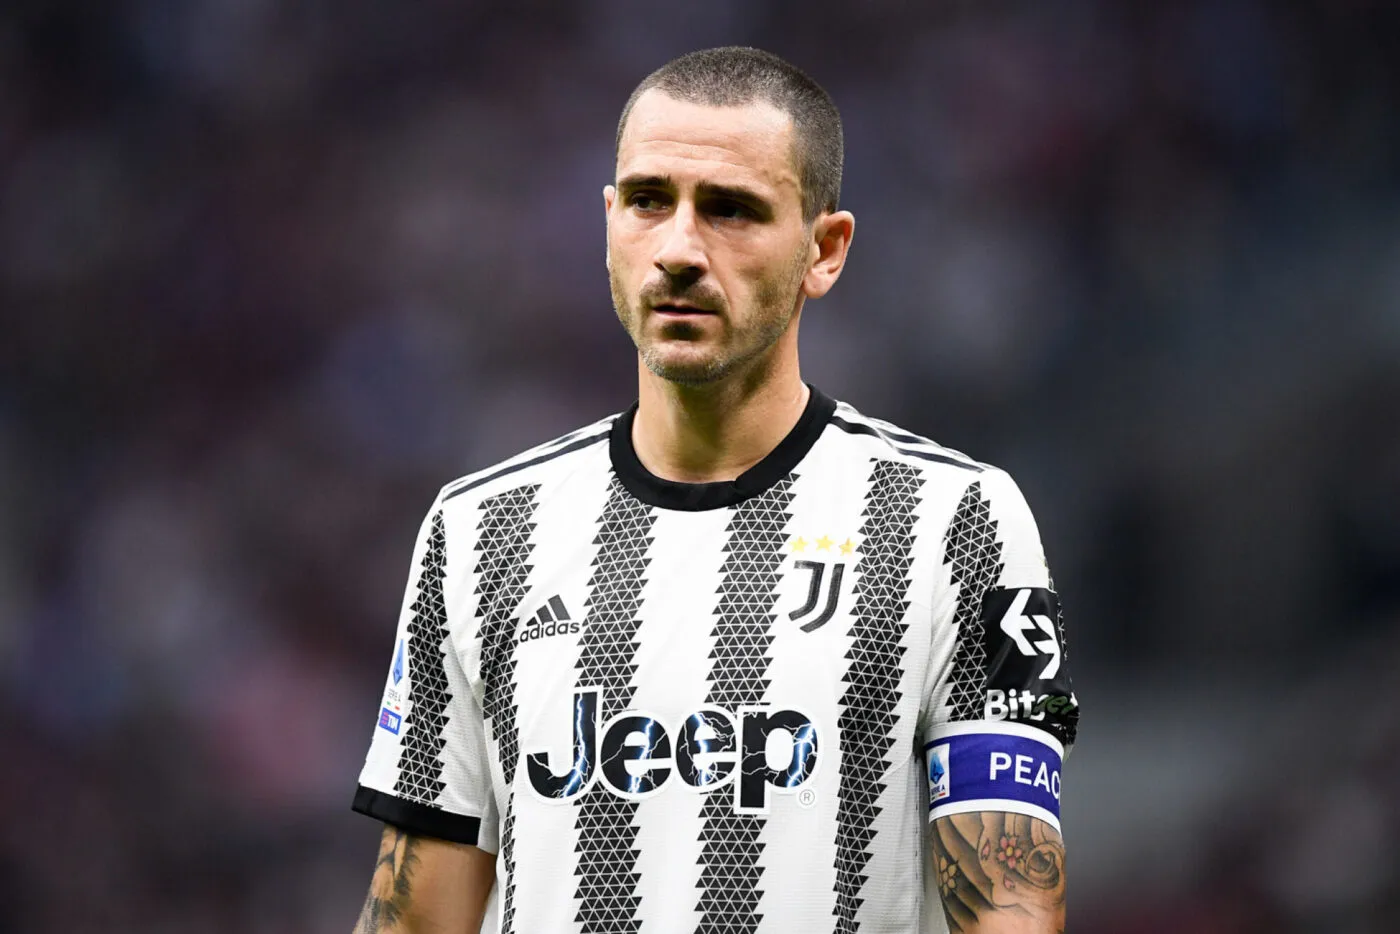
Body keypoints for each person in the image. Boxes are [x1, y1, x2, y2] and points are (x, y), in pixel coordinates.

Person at [350, 46, 1079, 934]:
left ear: (825, 249)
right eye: (651, 201)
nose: (680, 250)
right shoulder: (481, 531)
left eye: (732, 209)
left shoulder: (954, 522)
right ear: (609, 221)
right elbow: (416, 918)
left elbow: (1008, 905)